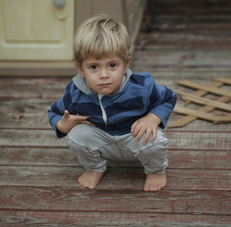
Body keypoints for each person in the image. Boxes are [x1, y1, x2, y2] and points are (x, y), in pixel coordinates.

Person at [48, 15, 177, 192]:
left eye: (112, 65)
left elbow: (168, 98)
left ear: (126, 64)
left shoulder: (142, 86)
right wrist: (63, 124)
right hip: (102, 141)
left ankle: (155, 170)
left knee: (155, 140)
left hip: (134, 138)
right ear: (80, 69)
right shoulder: (74, 93)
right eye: (94, 67)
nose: (104, 75)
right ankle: (95, 166)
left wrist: (152, 118)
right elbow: (54, 113)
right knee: (76, 135)